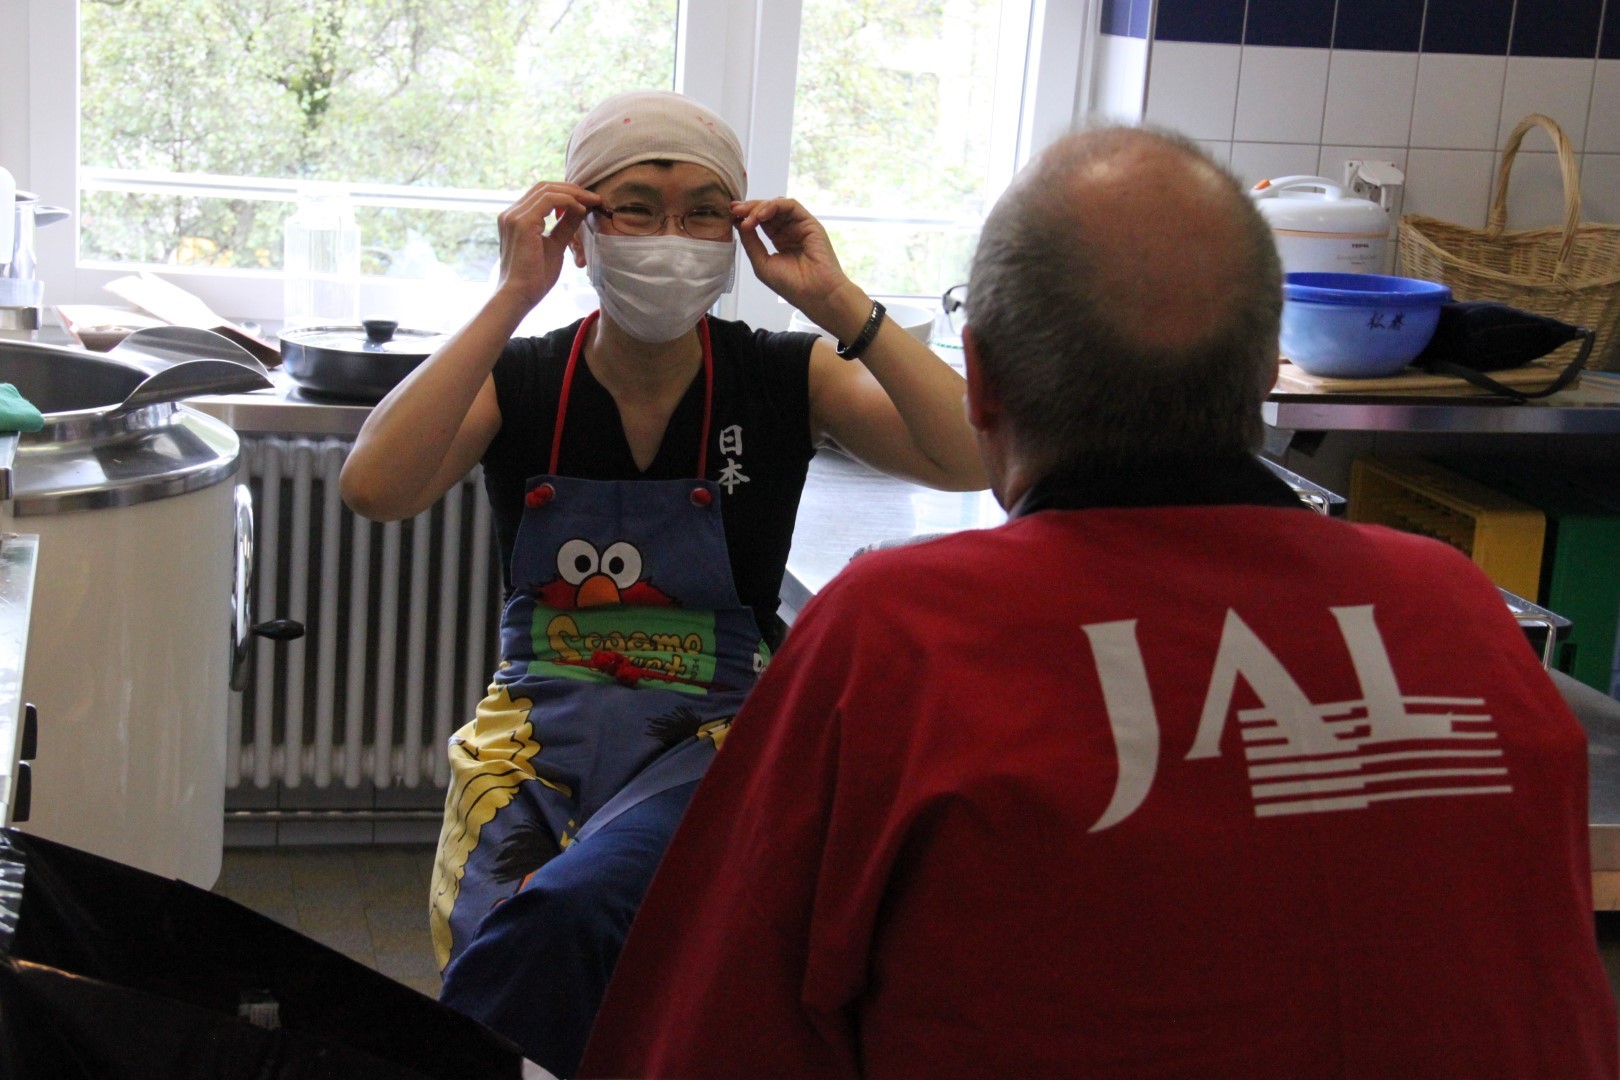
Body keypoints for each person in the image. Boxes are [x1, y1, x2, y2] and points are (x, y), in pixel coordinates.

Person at [579, 126, 1619, 1078]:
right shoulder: (1453, 610)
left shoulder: (912, 635)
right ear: (1267, 367)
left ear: (982, 382)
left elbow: (707, 1037)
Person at [338, 89, 984, 1077]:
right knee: (504, 933)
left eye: (703, 212)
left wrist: (839, 302)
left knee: (581, 915)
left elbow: (971, 456)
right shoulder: (522, 380)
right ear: (582, 230)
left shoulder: (785, 376)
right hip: (534, 731)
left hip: (713, 736)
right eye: (635, 208)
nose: (671, 236)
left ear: (737, 233)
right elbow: (375, 487)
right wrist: (512, 294)